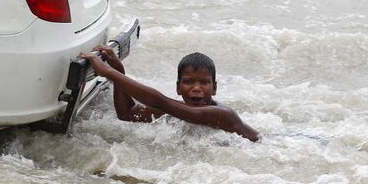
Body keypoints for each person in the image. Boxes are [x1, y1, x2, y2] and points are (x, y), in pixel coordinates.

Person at [79, 46, 260, 141]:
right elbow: (127, 114)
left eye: (204, 82)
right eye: (188, 82)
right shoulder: (176, 110)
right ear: (178, 87)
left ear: (214, 88)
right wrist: (118, 71)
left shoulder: (222, 115)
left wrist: (109, 72)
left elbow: (160, 101)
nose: (196, 88)